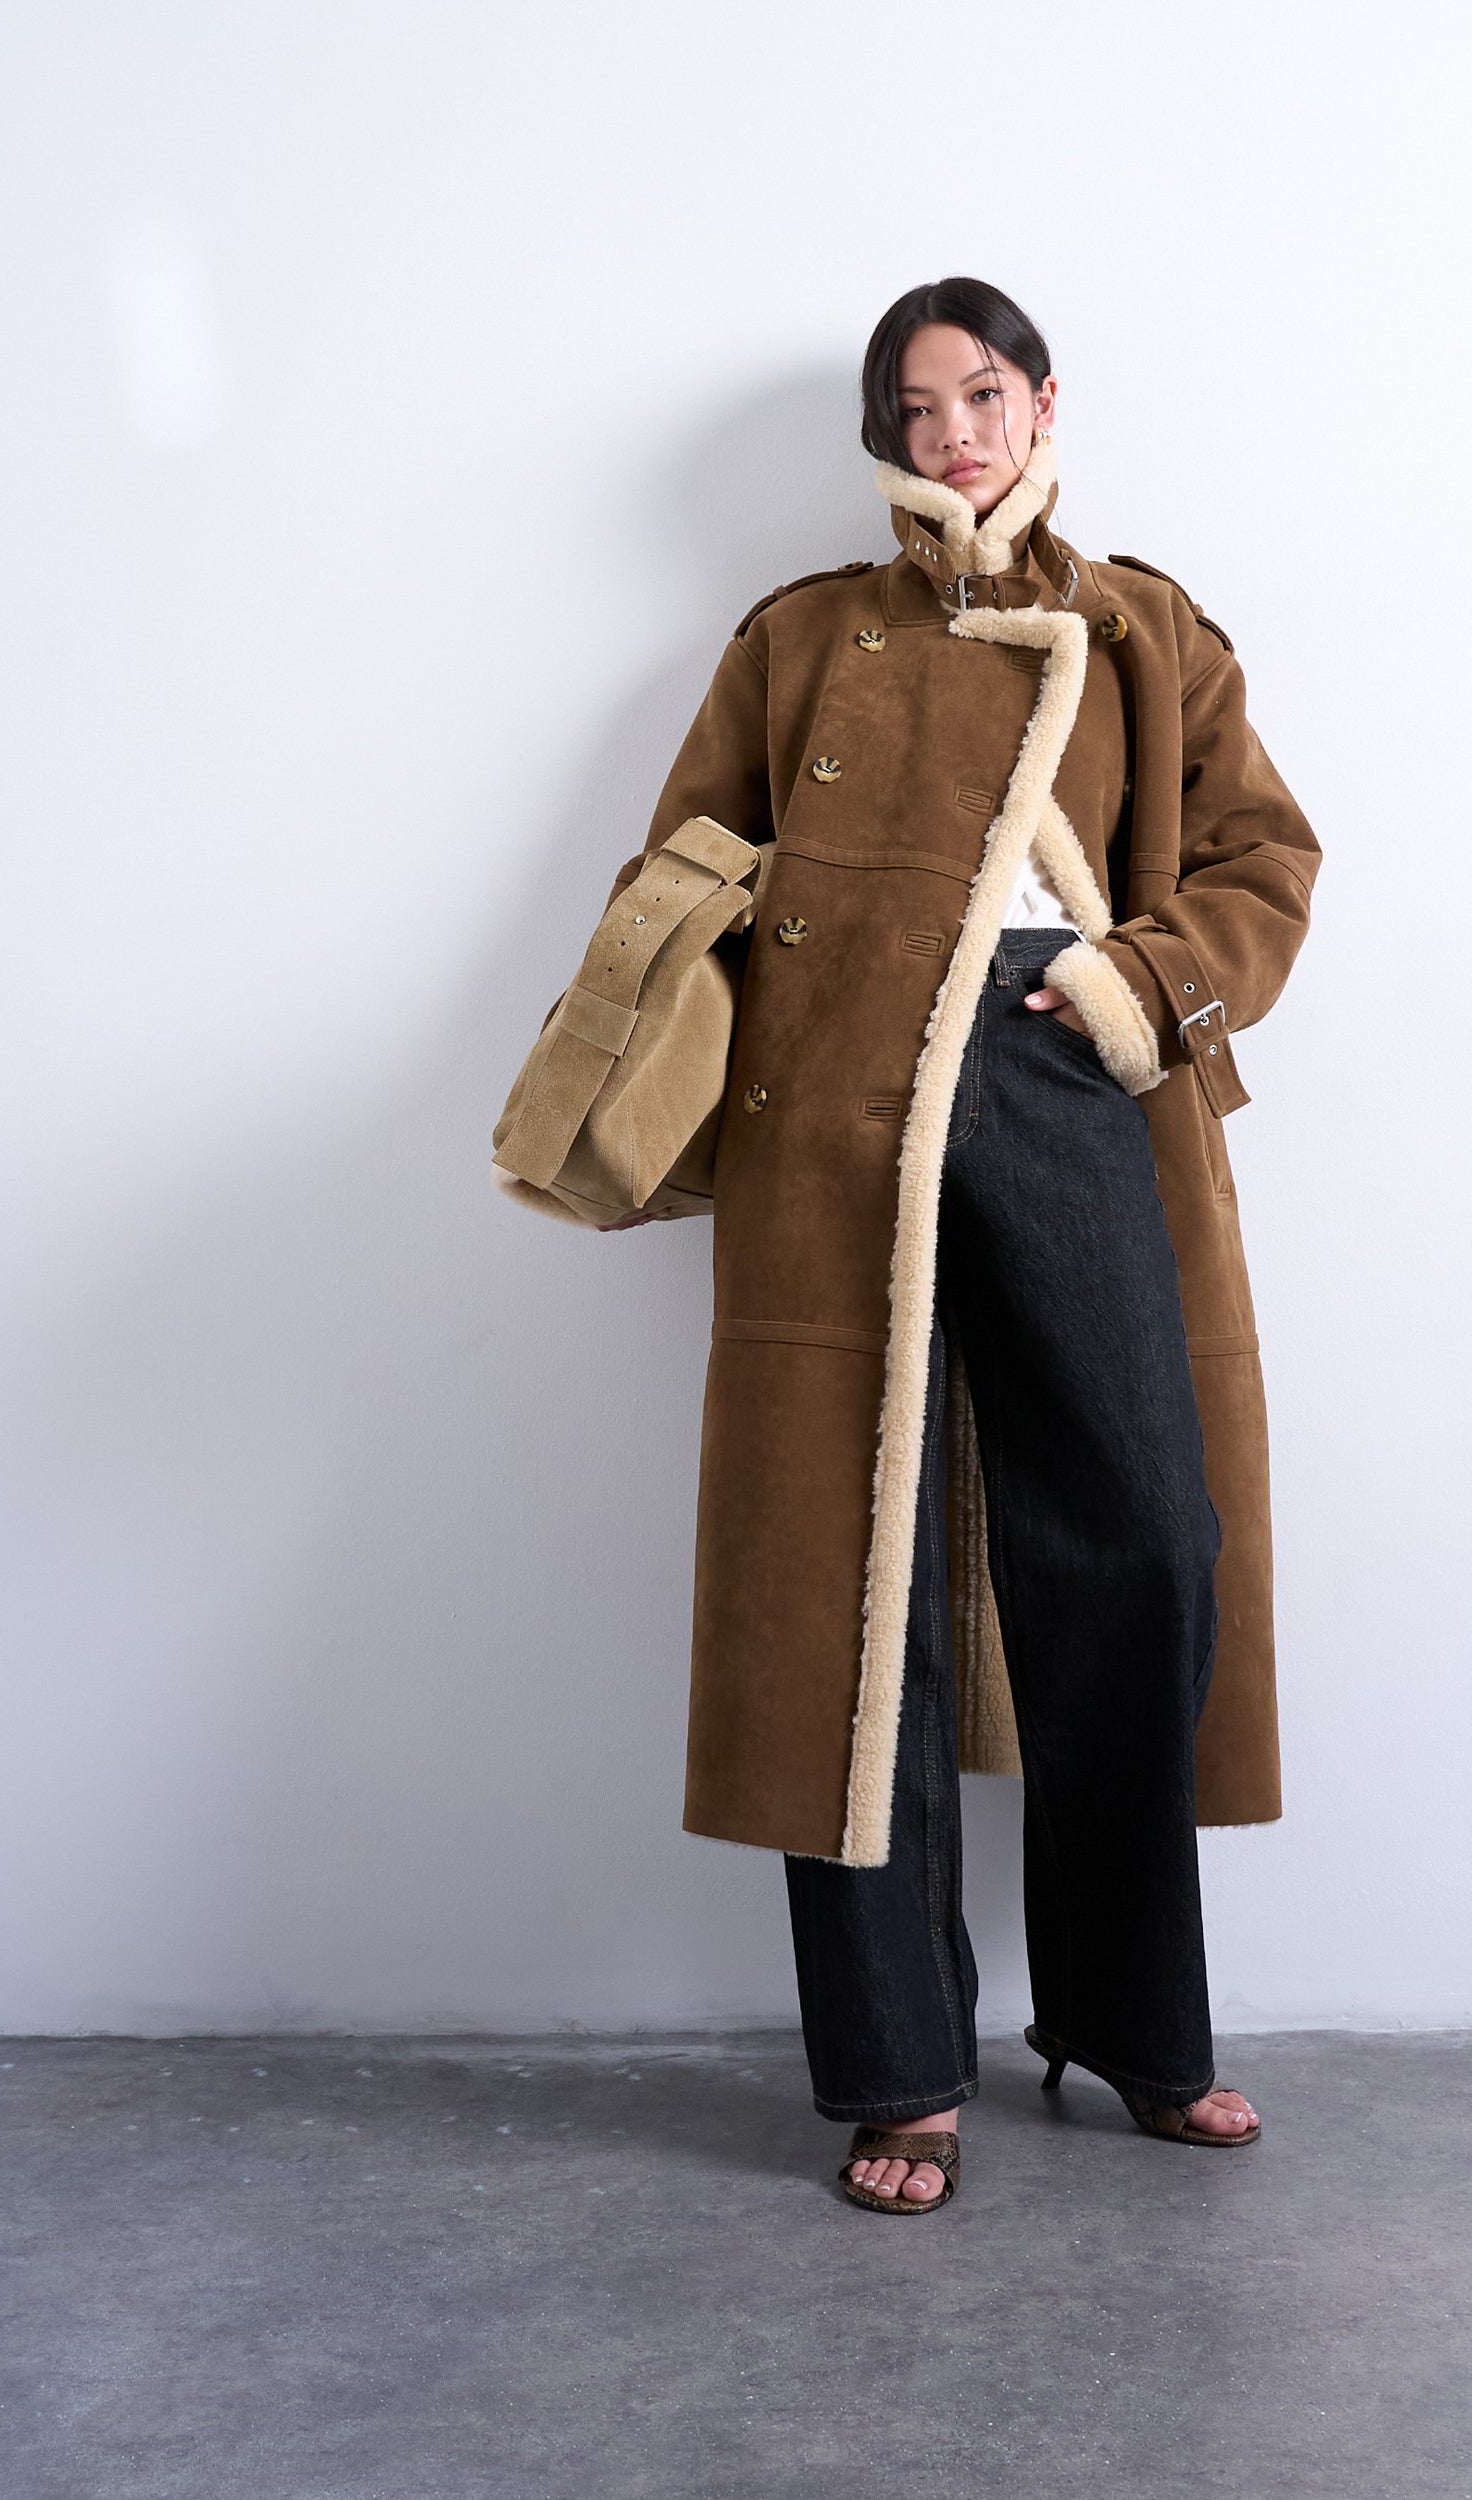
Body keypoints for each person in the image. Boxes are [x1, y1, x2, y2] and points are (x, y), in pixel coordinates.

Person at [602, 277, 1319, 2212]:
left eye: (980, 397)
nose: (951, 437)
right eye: (914, 411)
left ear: (1043, 404)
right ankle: (897, 2073)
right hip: (845, 1114)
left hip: (1075, 1068)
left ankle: (1136, 2024)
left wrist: (1128, 983)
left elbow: (1264, 858)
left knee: (1144, 1542)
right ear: (884, 436)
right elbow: (682, 862)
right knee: (854, 1587)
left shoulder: (1147, 626)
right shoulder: (799, 637)